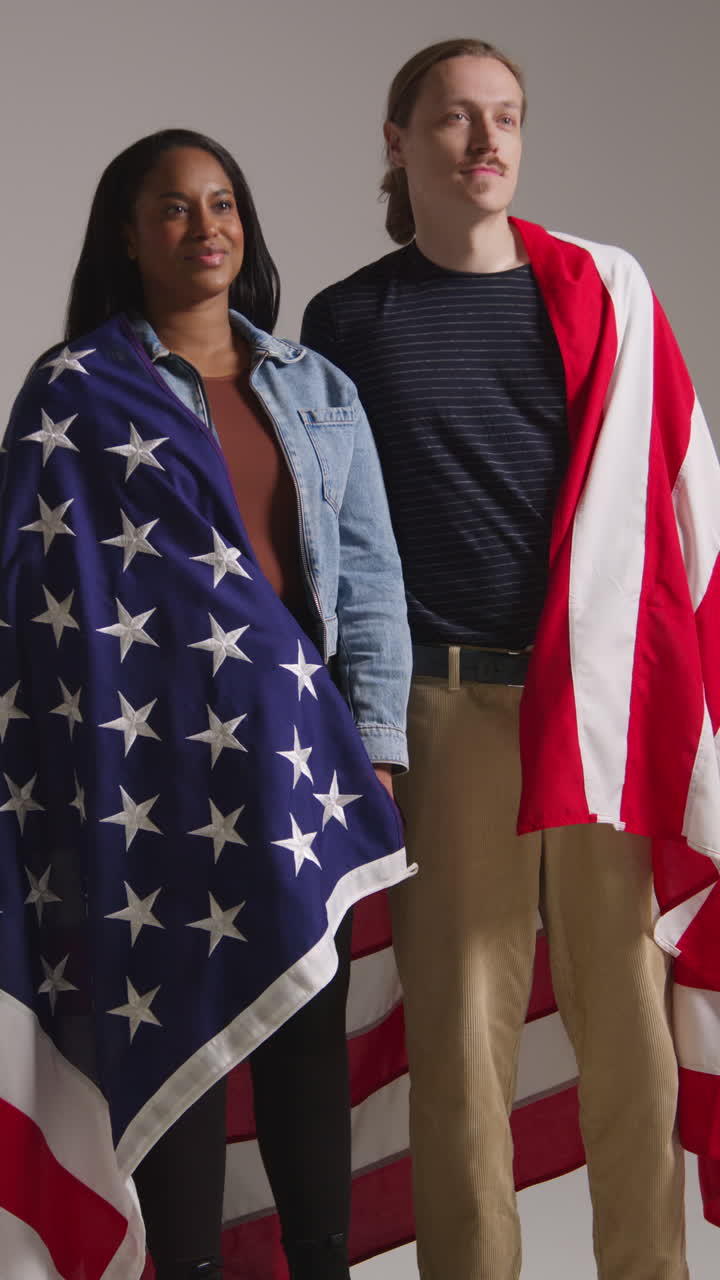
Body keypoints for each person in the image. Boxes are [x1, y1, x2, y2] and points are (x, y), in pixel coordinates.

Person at [301, 38, 720, 1280]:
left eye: (507, 118)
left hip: (590, 706)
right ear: (398, 144)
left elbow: (670, 511)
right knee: (461, 1035)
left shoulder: (600, 294)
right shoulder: (349, 321)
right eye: (454, 120)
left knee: (628, 1032)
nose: (486, 143)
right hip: (445, 706)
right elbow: (333, 539)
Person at [0, 129, 412, 1280]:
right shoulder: (73, 392)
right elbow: (38, 596)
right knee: (177, 1016)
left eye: (222, 202)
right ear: (128, 238)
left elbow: (370, 585)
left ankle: (321, 1262)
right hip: (149, 768)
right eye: (173, 208)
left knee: (300, 1030)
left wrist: (376, 752)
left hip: (302, 761)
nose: (205, 226)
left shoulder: (315, 387)